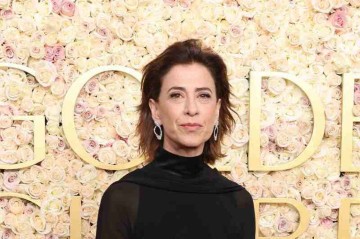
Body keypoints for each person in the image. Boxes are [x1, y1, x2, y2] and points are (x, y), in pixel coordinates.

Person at [95, 39, 256, 239]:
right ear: (156, 110)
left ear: (216, 110)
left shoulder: (238, 201)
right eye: (177, 95)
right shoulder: (123, 198)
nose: (191, 109)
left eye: (203, 95)